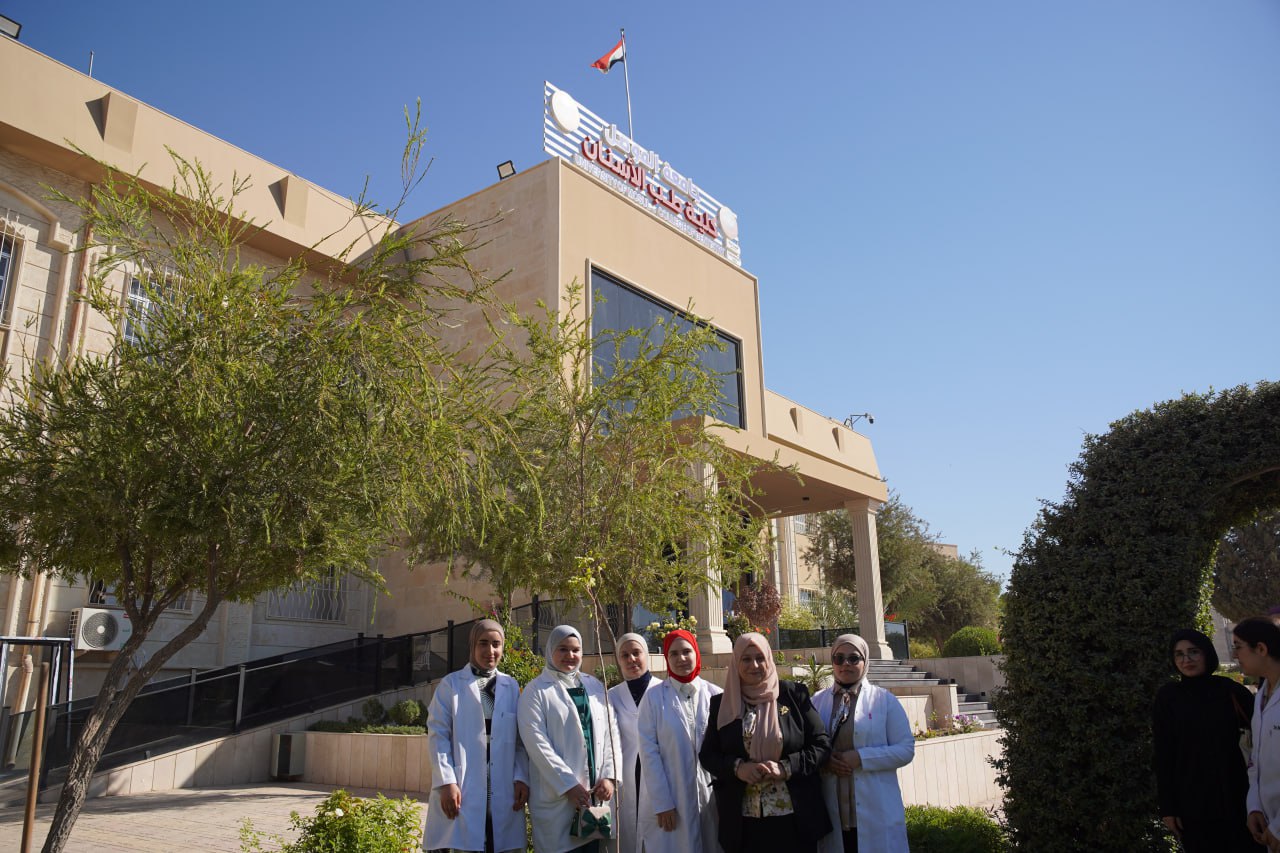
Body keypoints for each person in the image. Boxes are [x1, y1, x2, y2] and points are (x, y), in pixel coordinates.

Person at [699, 631, 832, 853]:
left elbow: (821, 745)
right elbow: (708, 755)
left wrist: (786, 767)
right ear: (736, 662)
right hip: (742, 821)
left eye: (760, 658)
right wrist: (737, 768)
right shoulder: (722, 704)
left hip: (794, 817)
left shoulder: (793, 695)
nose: (754, 665)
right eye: (746, 659)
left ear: (769, 659)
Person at [423, 619, 530, 853]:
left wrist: (521, 776)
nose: (490, 650)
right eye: (483, 643)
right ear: (472, 645)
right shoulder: (451, 685)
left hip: (501, 786)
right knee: (466, 844)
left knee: (498, 843)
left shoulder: (511, 686)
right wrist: (447, 781)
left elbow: (520, 741)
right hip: (464, 785)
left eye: (496, 644)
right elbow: (438, 736)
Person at [1152, 627, 1260, 852]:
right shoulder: (1168, 697)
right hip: (1193, 803)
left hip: (1239, 798)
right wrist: (1168, 807)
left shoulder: (1231, 691)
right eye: (1179, 654)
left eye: (1193, 652)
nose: (1186, 660)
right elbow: (1164, 753)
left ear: (1207, 654)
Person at [518, 624, 620, 853]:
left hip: (594, 800)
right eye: (563, 649)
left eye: (575, 650)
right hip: (557, 802)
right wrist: (568, 785)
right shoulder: (535, 692)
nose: (570, 655)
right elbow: (537, 744)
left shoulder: (595, 686)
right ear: (550, 650)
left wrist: (609, 777)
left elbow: (611, 733)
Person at [812, 634, 912, 853]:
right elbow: (807, 747)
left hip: (875, 809)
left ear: (865, 661)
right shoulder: (817, 701)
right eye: (839, 658)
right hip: (833, 806)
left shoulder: (884, 700)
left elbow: (905, 749)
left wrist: (861, 758)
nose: (845, 664)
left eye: (853, 658)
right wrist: (826, 761)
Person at [637, 629, 722, 853]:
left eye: (686, 651)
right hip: (672, 798)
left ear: (696, 653)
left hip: (711, 797)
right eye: (673, 654)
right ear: (666, 658)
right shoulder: (653, 698)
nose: (681, 658)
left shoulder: (716, 695)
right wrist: (662, 802)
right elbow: (648, 753)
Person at [608, 632, 661, 853]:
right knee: (628, 837)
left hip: (658, 775)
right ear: (618, 660)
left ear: (646, 654)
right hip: (626, 777)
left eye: (636, 653)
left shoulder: (663, 691)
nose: (631, 659)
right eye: (625, 655)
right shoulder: (610, 696)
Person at [1236, 617, 1280, 852]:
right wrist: (1254, 805)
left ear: (1261, 649)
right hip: (1269, 823)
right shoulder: (1261, 696)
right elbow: (1257, 759)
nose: (1235, 656)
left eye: (1238, 647)